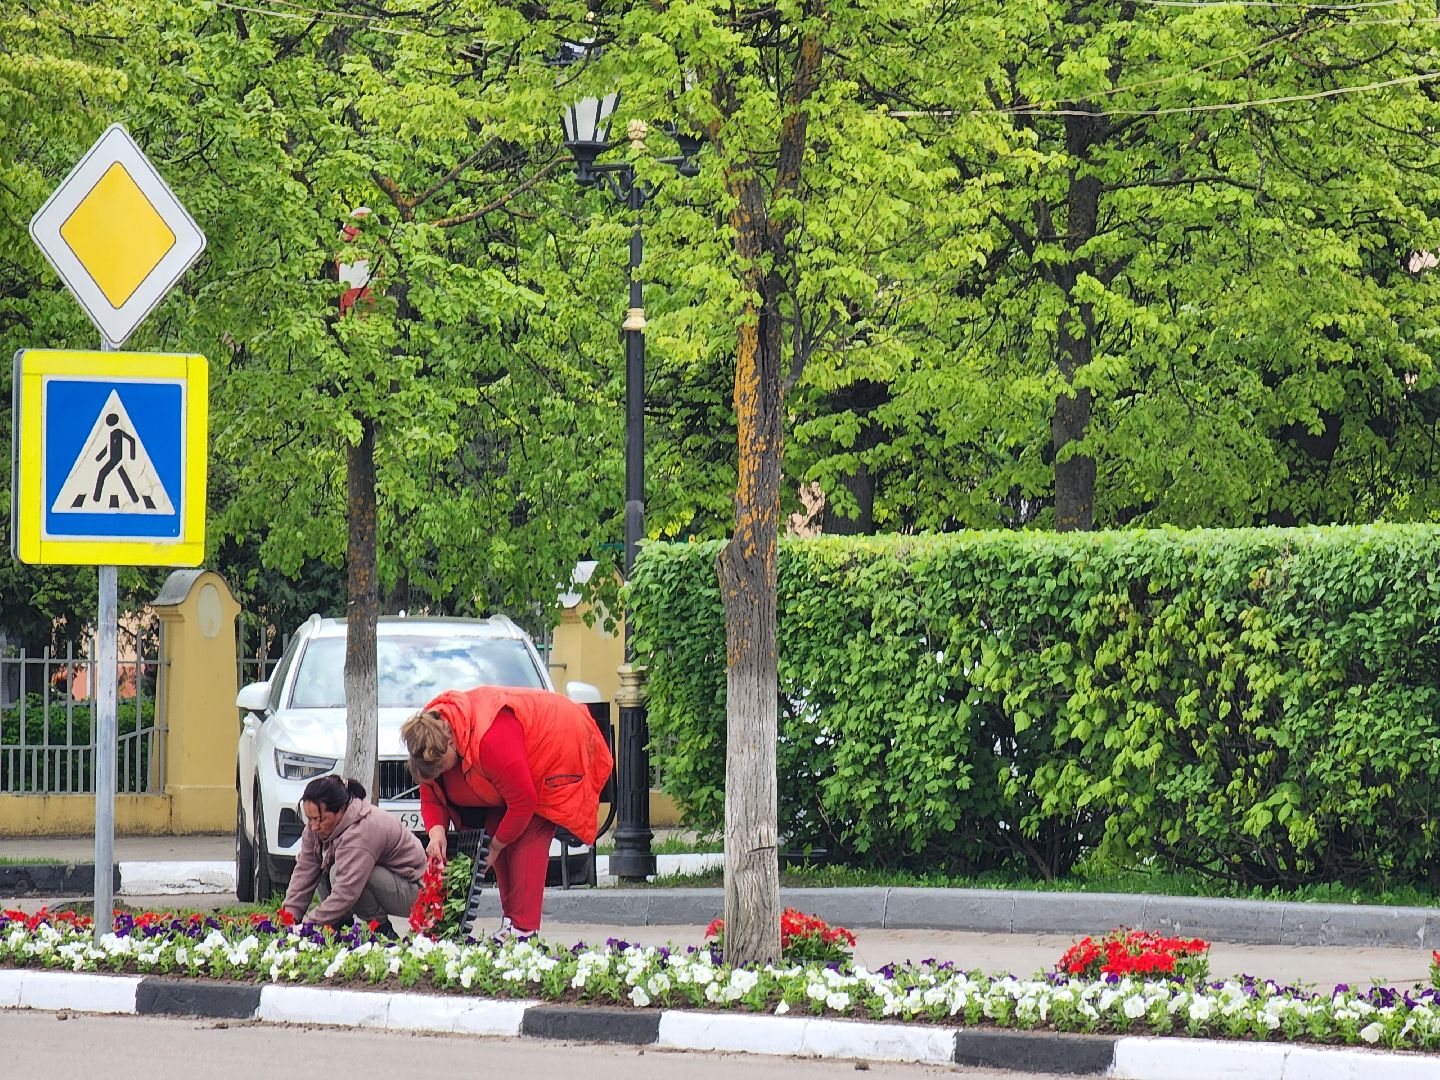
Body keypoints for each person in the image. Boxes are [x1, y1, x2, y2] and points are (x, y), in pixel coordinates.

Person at [400, 685, 614, 942]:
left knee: (527, 834)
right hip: (511, 771)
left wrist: (498, 846)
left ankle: (524, 931)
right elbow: (432, 790)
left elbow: (524, 802)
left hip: (558, 745)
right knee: (493, 835)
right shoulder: (427, 736)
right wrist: (437, 834)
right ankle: (511, 923)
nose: (441, 774)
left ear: (450, 743)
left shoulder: (491, 739)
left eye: (441, 767)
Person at [280, 774, 427, 934]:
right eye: (310, 819)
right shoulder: (314, 829)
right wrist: (289, 918)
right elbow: (305, 870)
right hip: (387, 883)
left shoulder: (362, 830)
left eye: (320, 819)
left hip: (416, 892)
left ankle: (381, 930)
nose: (314, 826)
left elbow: (346, 892)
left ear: (341, 811)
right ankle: (340, 926)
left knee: (339, 872)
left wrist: (306, 926)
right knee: (326, 868)